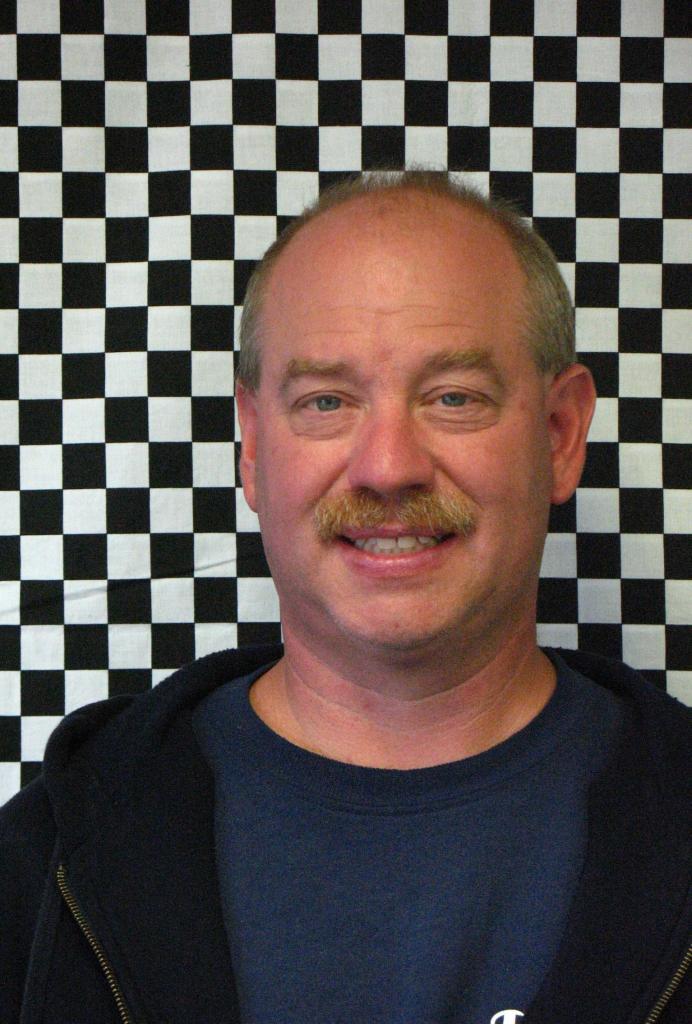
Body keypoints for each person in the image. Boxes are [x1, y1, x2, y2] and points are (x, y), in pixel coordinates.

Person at [1, 171, 690, 1024]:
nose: (387, 466)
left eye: (454, 398)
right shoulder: (41, 871)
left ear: (559, 435)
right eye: (326, 401)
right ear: (254, 446)